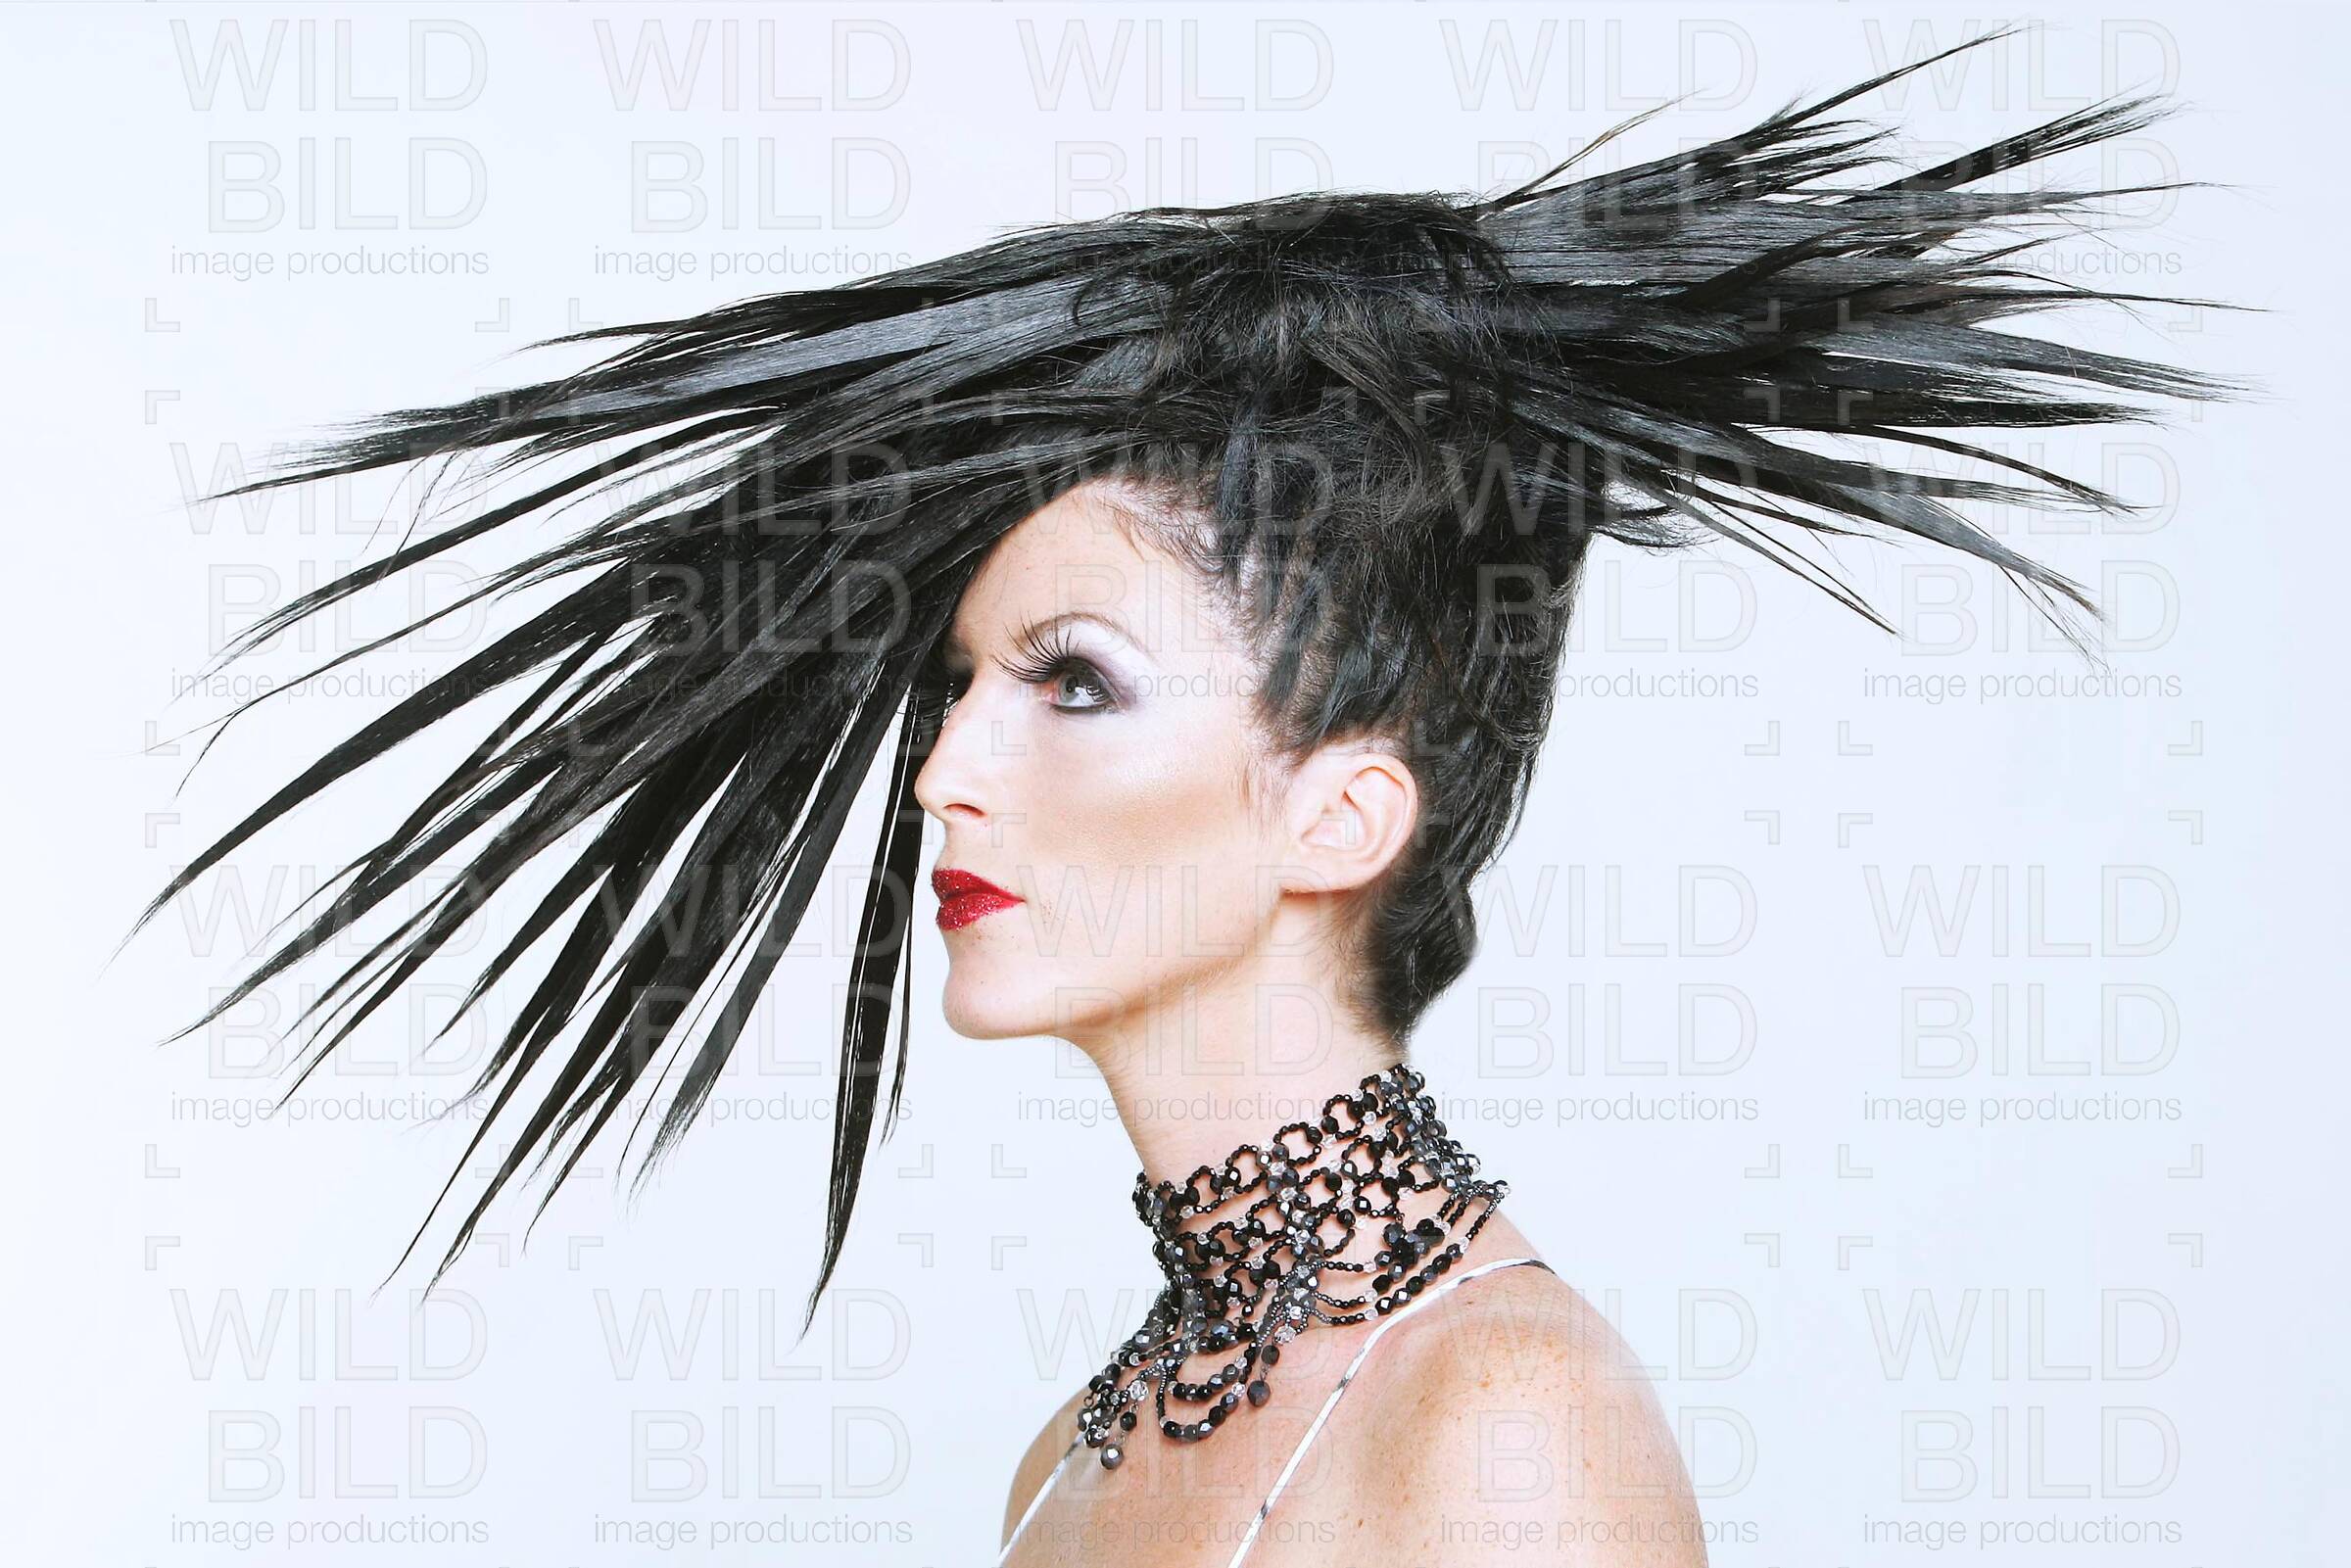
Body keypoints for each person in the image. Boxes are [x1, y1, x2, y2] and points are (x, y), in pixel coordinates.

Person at [138, 25, 2238, 1564]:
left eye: (1073, 681)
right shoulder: (1073, 1451)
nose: (945, 771)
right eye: (960, 683)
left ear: (1342, 817)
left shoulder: (1503, 1426)